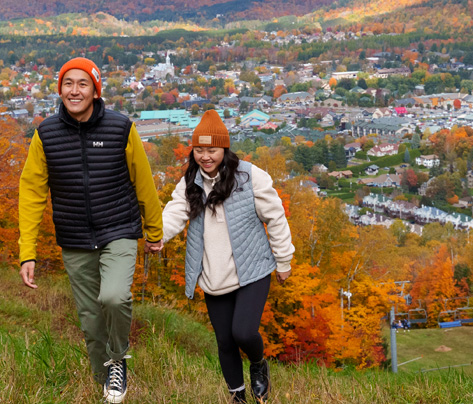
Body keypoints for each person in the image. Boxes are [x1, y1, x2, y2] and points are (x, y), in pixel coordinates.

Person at [18, 57, 163, 404]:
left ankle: (119, 358)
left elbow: (143, 183)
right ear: (60, 90)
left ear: (95, 90)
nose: (74, 90)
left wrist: (154, 231)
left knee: (113, 297)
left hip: (119, 228)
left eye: (83, 83)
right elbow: (32, 193)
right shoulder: (46, 134)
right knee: (89, 318)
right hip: (75, 237)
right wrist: (28, 251)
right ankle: (104, 381)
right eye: (68, 83)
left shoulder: (120, 128)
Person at [151, 109, 294, 404]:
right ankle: (237, 396)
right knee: (224, 340)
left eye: (212, 149)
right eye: (199, 150)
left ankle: (258, 364)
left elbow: (276, 217)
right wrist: (157, 236)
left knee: (243, 333)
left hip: (252, 269)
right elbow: (175, 212)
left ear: (224, 149)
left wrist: (284, 260)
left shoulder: (250, 176)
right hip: (214, 275)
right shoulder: (190, 182)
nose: (206, 156)